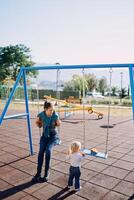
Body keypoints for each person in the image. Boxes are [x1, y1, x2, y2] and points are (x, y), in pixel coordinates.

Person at [32, 101, 61, 183]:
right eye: (50, 110)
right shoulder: (41, 115)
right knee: (41, 152)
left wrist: (58, 123)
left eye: (53, 110)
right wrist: (37, 122)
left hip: (53, 137)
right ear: (45, 109)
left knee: (48, 150)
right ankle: (38, 173)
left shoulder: (55, 115)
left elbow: (58, 124)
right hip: (44, 136)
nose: (52, 111)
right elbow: (39, 124)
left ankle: (46, 173)